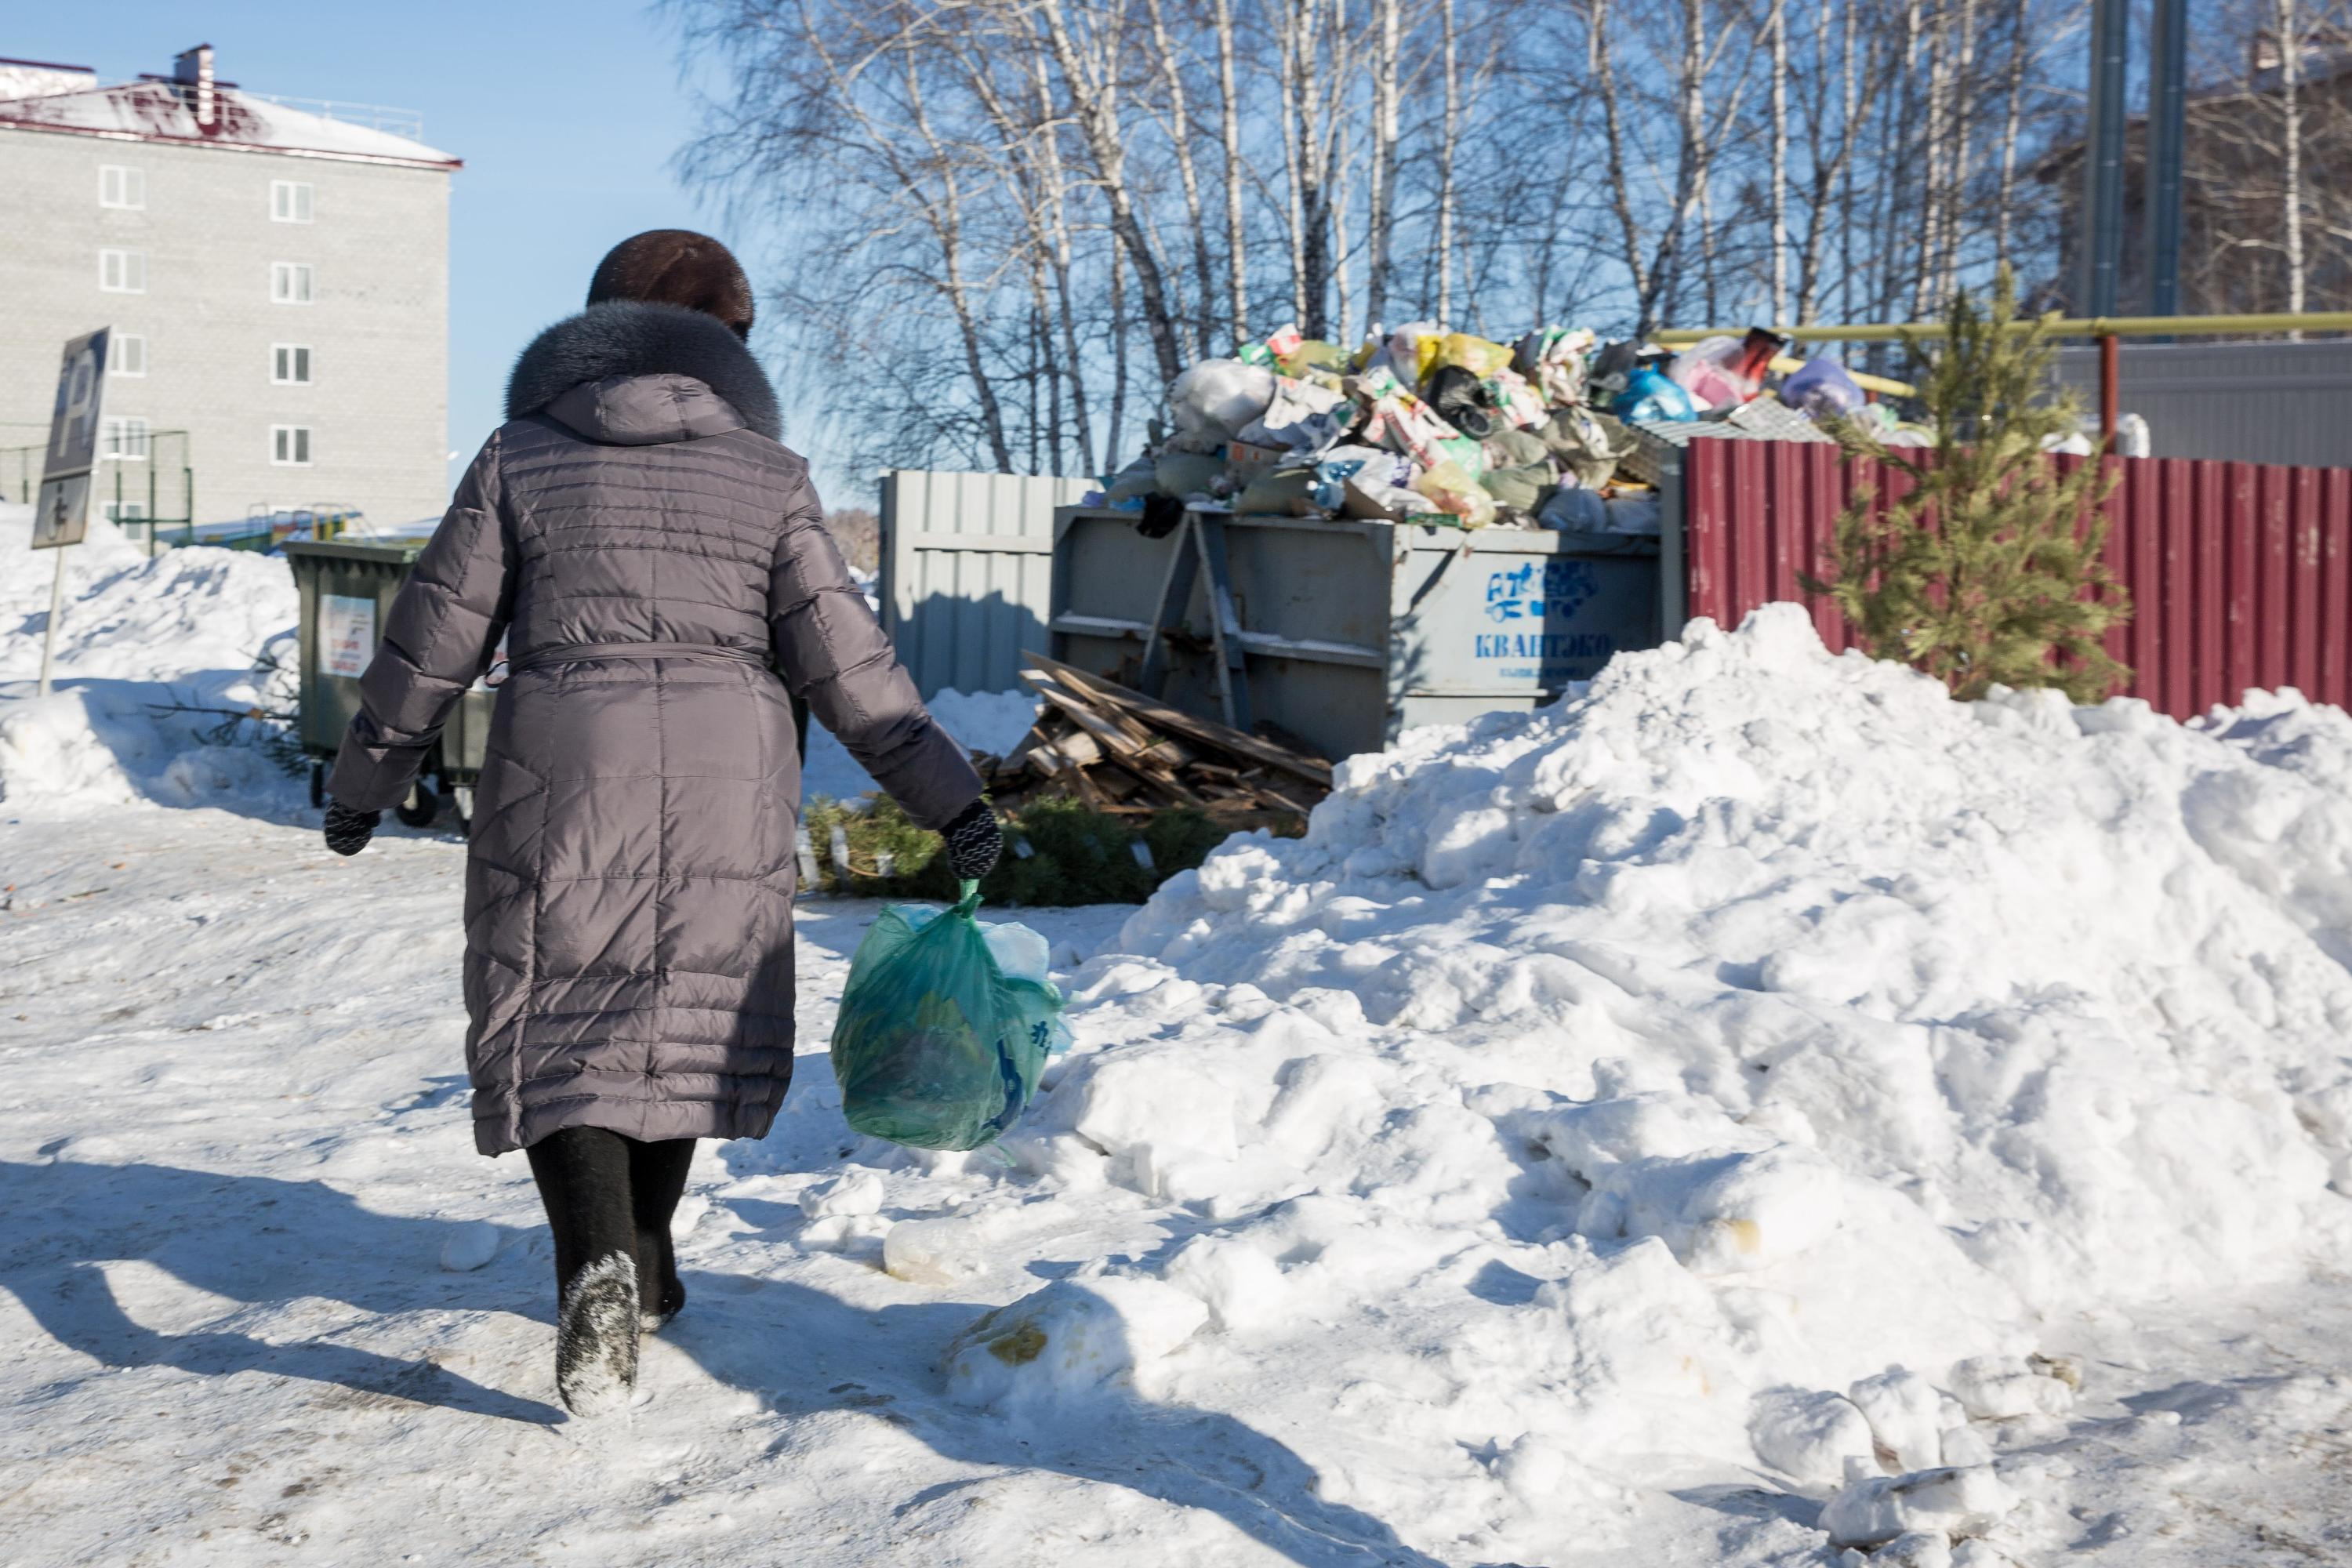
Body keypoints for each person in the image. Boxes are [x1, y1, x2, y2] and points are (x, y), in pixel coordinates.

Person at [319, 230, 1002, 1417]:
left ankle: (597, 1262)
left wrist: (364, 781)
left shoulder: (518, 458)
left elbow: (428, 641)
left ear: (593, 331)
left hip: (561, 766)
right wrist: (954, 801)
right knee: (682, 1019)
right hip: (729, 775)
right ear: (726, 343)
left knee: (561, 1014)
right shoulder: (770, 477)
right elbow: (858, 674)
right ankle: (642, 1259)